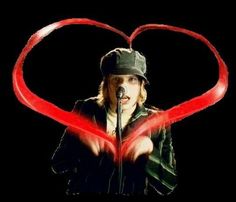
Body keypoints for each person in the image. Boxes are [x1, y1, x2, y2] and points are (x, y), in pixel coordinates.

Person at [51, 47, 177, 196]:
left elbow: (169, 185)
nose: (122, 87)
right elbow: (58, 165)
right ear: (106, 84)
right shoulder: (85, 110)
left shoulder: (157, 121)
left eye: (132, 80)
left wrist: (150, 152)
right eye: (116, 79)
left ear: (141, 85)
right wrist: (79, 140)